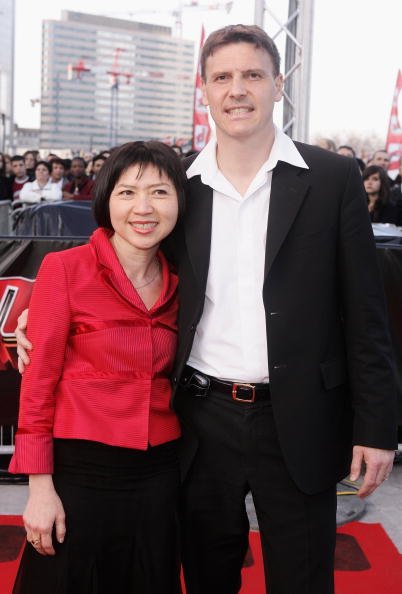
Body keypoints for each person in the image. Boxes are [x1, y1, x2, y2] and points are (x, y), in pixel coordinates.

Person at [16, 25, 397, 594]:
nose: (237, 89)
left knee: (303, 577)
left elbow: (367, 315)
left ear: (279, 84)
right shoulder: (180, 186)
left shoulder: (332, 178)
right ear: (205, 89)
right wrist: (35, 317)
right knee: (205, 576)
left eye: (252, 75)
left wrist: (376, 427)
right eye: (222, 77)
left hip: (302, 418)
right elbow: (123, 264)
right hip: (199, 419)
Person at [10, 141, 186, 594]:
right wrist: (39, 488)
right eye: (128, 192)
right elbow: (38, 383)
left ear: (180, 203)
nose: (143, 208)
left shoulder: (186, 281)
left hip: (158, 476)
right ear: (106, 199)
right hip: (79, 474)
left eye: (160, 193)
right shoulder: (65, 269)